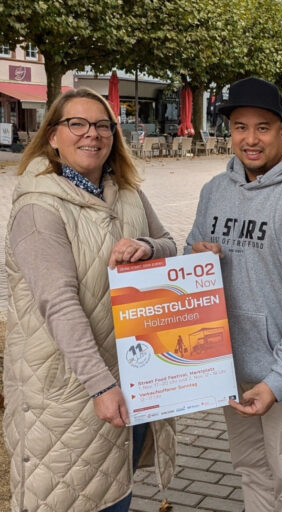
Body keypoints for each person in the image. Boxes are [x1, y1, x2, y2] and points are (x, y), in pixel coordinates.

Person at [3, 88, 177, 512]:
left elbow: (169, 244)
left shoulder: (127, 192)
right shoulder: (39, 208)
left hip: (130, 376)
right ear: (52, 137)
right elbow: (59, 304)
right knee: (72, 498)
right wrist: (101, 385)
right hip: (69, 388)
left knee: (116, 491)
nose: (91, 134)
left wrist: (146, 246)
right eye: (76, 124)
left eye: (102, 125)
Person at [184, 76, 282, 512]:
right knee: (251, 472)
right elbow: (189, 256)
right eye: (240, 127)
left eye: (263, 128)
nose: (250, 139)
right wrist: (195, 255)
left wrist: (279, 380)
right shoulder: (214, 191)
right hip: (231, 369)